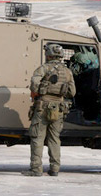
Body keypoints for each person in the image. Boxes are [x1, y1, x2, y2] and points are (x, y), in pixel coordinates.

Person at [24, 43, 76, 177]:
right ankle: (55, 169)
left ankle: (36, 169)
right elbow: (72, 92)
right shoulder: (67, 72)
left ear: (48, 55)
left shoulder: (43, 68)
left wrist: (41, 91)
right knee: (54, 139)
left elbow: (34, 86)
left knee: (37, 137)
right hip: (58, 108)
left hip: (42, 107)